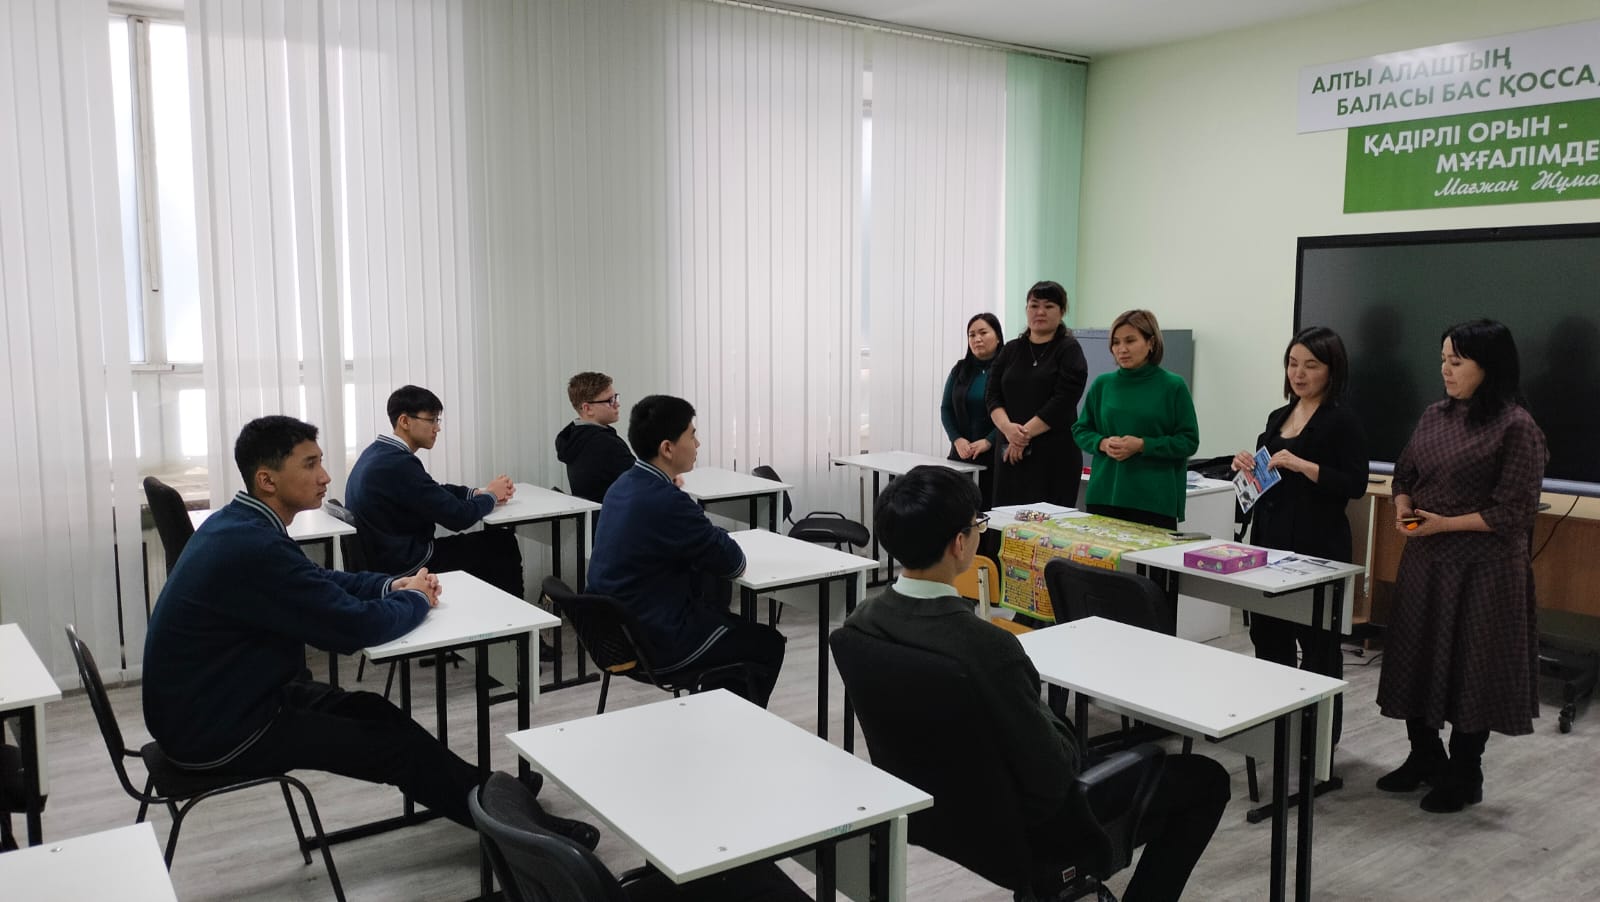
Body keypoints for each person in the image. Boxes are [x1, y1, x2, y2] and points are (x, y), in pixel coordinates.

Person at [141, 416, 596, 844]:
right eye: (310, 464)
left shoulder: (240, 523)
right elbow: (355, 629)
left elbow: (319, 581)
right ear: (267, 479)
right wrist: (415, 599)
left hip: (227, 701)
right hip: (218, 730)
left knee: (377, 713)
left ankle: (495, 797)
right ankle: (527, 836)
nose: (325, 477)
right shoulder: (252, 545)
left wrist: (390, 585)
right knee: (393, 747)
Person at [841, 465, 1229, 902]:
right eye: (977, 524)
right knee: (1206, 780)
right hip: (1031, 832)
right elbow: (1055, 775)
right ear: (959, 544)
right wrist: (1058, 724)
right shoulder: (987, 647)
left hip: (938, 815)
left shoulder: (861, 625)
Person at [1375, 319, 1547, 814]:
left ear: (1488, 367)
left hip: (1484, 570)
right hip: (1426, 560)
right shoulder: (1435, 415)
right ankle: (1424, 755)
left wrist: (1444, 524)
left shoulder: (1517, 426)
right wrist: (1404, 506)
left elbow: (1514, 512)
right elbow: (1404, 472)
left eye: (1457, 362)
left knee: (1475, 666)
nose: (1445, 370)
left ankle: (1466, 772)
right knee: (1415, 655)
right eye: (1443, 360)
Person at [585, 394, 787, 707]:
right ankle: (731, 727)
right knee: (767, 644)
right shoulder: (667, 501)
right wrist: (700, 521)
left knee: (722, 616)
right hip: (658, 641)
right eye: (692, 436)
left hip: (617, 638)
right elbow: (734, 563)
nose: (698, 444)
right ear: (667, 448)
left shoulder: (622, 486)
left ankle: (713, 716)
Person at [1231, 326, 1367, 741]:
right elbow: (1264, 477)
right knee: (1269, 638)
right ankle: (1277, 732)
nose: (1299, 374)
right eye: (1292, 364)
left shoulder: (1342, 420)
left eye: (1311, 365)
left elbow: (1355, 484)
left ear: (1332, 370)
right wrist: (1245, 465)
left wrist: (1303, 466)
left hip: (1316, 545)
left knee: (1318, 647)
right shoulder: (1278, 416)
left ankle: (1318, 742)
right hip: (1270, 542)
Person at [346, 385, 522, 598]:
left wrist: (476, 493)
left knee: (489, 544)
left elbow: (431, 490)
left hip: (386, 557)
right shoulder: (397, 464)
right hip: (406, 564)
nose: (437, 428)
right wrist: (491, 496)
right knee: (502, 543)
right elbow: (458, 517)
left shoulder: (379, 453)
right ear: (405, 421)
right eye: (431, 420)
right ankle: (516, 619)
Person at [1072, 309, 1198, 530]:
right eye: (1116, 342)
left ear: (1151, 343)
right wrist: (1102, 443)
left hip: (1153, 500)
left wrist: (1142, 445)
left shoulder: (1173, 386)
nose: (1122, 349)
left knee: (1151, 554)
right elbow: (1081, 429)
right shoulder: (1103, 384)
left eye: (1130, 341)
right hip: (1106, 494)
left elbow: (1188, 441)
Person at [985, 281, 1089, 507]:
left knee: (1047, 523)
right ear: (1026, 309)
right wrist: (1008, 429)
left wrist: (1022, 436)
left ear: (1062, 311)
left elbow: (1063, 400)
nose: (1040, 312)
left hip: (1053, 456)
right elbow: (992, 395)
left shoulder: (1069, 349)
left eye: (1049, 306)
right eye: (1034, 305)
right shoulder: (1011, 349)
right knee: (1006, 519)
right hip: (1009, 453)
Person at [941, 313, 1001, 505]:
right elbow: (946, 409)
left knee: (989, 510)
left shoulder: (1007, 370)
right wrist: (956, 439)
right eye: (972, 335)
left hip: (996, 456)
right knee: (958, 509)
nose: (977, 339)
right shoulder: (960, 369)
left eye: (983, 333)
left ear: (998, 337)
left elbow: (1015, 413)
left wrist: (990, 441)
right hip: (961, 455)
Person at [554, 371, 635, 504]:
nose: (617, 404)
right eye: (610, 400)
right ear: (588, 408)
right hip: (616, 513)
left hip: (595, 514)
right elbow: (641, 484)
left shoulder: (574, 437)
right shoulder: (606, 444)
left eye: (616, 397)